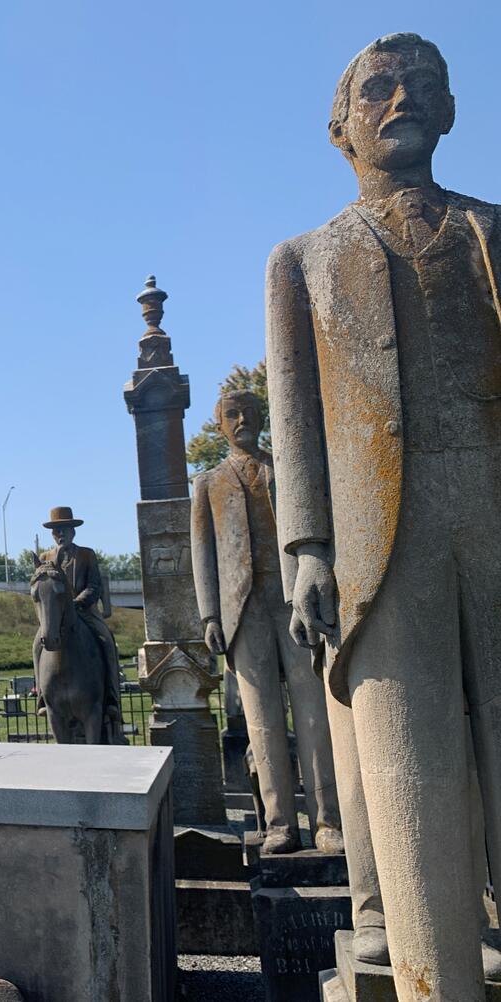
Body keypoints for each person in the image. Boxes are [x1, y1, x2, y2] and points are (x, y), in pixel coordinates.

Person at [268, 33, 501, 994]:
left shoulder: (493, 231)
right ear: (342, 128)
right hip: (380, 546)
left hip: (493, 516)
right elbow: (295, 420)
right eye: (378, 88)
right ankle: (433, 975)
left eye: (422, 85)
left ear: (448, 111)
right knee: (408, 776)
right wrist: (307, 547)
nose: (401, 98)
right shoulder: (304, 260)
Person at [190, 391, 341, 854]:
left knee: (314, 715)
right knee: (262, 723)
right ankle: (280, 825)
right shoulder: (209, 483)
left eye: (250, 413)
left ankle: (328, 821)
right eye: (232, 415)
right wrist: (210, 614)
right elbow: (203, 553)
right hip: (242, 611)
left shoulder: (287, 472)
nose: (242, 420)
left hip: (293, 600)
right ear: (220, 425)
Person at [37, 507, 123, 741]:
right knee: (37, 644)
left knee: (106, 639)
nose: (60, 534)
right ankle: (43, 695)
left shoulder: (86, 555)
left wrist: (77, 602)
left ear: (73, 531)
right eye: (56, 531)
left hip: (83, 612)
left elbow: (94, 585)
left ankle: (111, 697)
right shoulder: (45, 558)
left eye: (64, 529)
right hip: (56, 615)